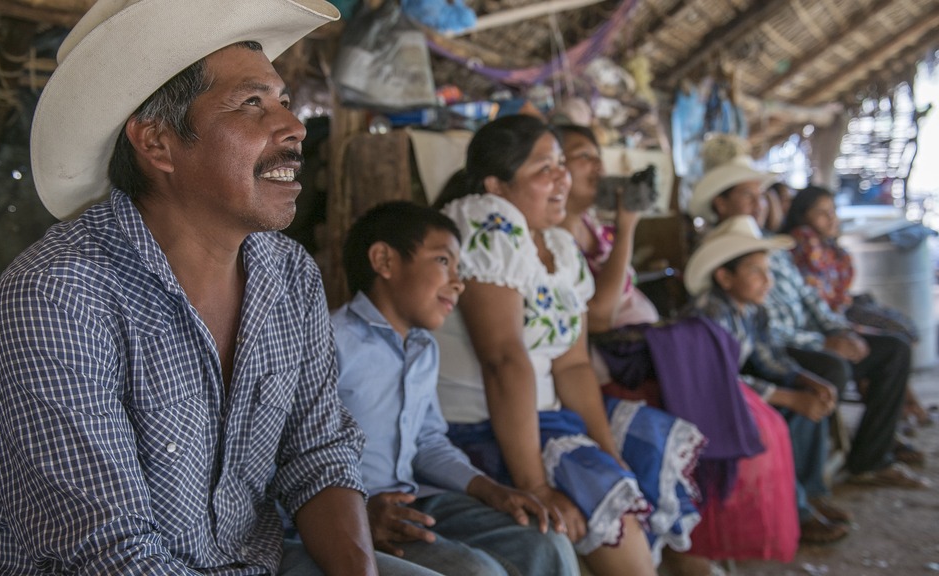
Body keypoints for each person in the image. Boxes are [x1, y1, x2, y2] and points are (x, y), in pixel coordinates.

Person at [0, 1, 431, 574]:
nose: (295, 126)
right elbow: (110, 554)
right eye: (252, 104)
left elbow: (317, 454)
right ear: (157, 144)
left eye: (283, 101)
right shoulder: (55, 300)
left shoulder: (289, 274)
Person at [432, 114, 706, 576]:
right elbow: (503, 360)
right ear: (496, 184)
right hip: (481, 426)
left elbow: (574, 366)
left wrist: (608, 451)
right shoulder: (485, 220)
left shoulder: (559, 246)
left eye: (562, 164)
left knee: (634, 466)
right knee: (624, 544)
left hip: (543, 417)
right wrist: (535, 484)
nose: (562, 178)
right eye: (545, 168)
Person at [554, 124, 798, 568]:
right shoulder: (559, 239)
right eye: (581, 155)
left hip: (639, 353)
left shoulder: (590, 225)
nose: (597, 166)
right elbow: (601, 318)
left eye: (596, 156)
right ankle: (694, 552)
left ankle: (703, 548)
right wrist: (627, 228)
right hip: (611, 366)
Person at [332, 201, 579, 576]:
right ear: (384, 261)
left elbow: (428, 442)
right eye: (443, 261)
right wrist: (352, 513)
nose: (458, 282)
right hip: (353, 512)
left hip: (416, 500)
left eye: (459, 269)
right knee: (477, 572)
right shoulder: (332, 342)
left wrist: (489, 489)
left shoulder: (423, 350)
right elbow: (288, 454)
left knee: (546, 542)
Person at [689, 150, 927, 489]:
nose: (759, 204)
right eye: (747, 196)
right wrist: (822, 344)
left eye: (761, 196)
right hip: (773, 349)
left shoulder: (772, 246)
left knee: (893, 350)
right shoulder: (717, 260)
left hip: (792, 343)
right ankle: (804, 490)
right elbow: (763, 334)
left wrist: (839, 330)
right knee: (828, 370)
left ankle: (871, 458)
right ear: (721, 204)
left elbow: (808, 297)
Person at [684, 216, 850, 544]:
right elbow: (721, 380)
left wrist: (808, 382)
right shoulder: (712, 315)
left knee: (808, 408)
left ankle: (809, 493)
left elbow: (769, 358)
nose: (767, 281)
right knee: (785, 414)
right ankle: (797, 513)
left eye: (768, 271)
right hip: (708, 404)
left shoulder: (753, 309)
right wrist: (789, 398)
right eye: (755, 272)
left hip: (735, 394)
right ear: (725, 277)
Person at [781, 185, 929, 431]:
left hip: (837, 313)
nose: (830, 218)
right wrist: (842, 333)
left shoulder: (827, 244)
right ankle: (900, 413)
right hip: (825, 321)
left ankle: (899, 413)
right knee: (891, 346)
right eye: (821, 212)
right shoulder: (804, 242)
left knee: (896, 337)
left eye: (832, 211)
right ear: (802, 214)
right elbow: (817, 305)